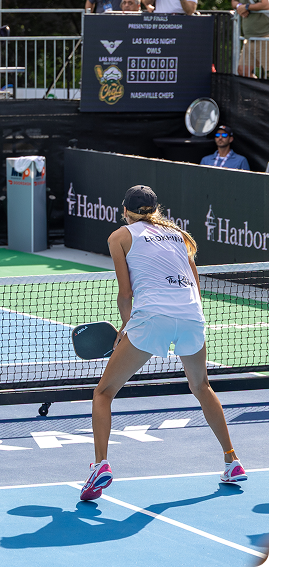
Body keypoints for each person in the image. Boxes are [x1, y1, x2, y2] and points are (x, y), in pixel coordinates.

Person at [80, 185, 247, 502]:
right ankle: (232, 460)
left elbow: (126, 293)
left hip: (152, 319)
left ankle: (101, 464)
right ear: (156, 210)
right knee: (201, 387)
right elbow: (195, 284)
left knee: (103, 393)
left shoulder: (119, 237)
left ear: (125, 210)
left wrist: (126, 328)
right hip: (192, 316)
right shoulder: (179, 235)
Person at [231, 0, 269, 78]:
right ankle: (257, 87)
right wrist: (240, 6)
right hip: (249, 39)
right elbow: (234, 1)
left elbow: (266, 4)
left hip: (264, 38)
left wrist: (247, 7)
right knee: (243, 71)